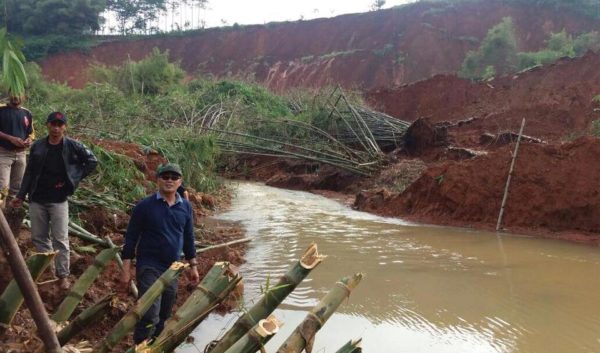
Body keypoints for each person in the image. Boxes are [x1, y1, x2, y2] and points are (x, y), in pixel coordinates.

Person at [12, 112, 98, 290]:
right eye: (53, 124)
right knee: (39, 238)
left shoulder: (73, 146)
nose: (56, 128)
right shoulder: (38, 146)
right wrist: (21, 195)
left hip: (58, 200)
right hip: (37, 199)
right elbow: (29, 173)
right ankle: (48, 271)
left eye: (60, 124)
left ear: (65, 127)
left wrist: (74, 178)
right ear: (47, 125)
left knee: (60, 239)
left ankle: (62, 276)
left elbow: (91, 161)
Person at [120, 163, 199, 344]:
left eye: (174, 177)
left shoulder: (186, 207)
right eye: (165, 177)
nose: (169, 180)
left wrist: (193, 266)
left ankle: (155, 347)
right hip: (149, 265)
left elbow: (188, 237)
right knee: (149, 314)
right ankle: (140, 346)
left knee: (164, 314)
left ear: (180, 181)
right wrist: (126, 269)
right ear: (157, 180)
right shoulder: (144, 206)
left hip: (173, 268)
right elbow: (131, 238)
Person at [0, 95, 34, 205]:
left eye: (19, 93)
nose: (15, 96)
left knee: (16, 188)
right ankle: (1, 215)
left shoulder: (27, 113)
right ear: (9, 93)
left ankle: (10, 213)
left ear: (24, 95)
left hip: (21, 155)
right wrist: (10, 138)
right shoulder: (1, 109)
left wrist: (29, 140)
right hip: (3, 153)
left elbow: (31, 133)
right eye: (13, 93)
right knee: (2, 188)